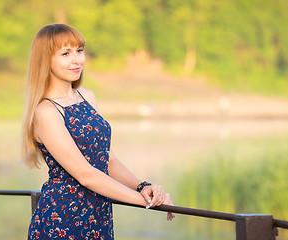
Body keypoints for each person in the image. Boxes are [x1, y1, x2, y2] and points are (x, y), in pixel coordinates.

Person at [22, 24, 174, 240]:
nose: (77, 60)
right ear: (45, 60)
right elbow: (87, 175)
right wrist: (149, 201)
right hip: (61, 220)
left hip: (98, 215)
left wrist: (144, 186)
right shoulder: (46, 111)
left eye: (79, 50)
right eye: (66, 53)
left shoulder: (86, 96)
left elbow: (108, 160)